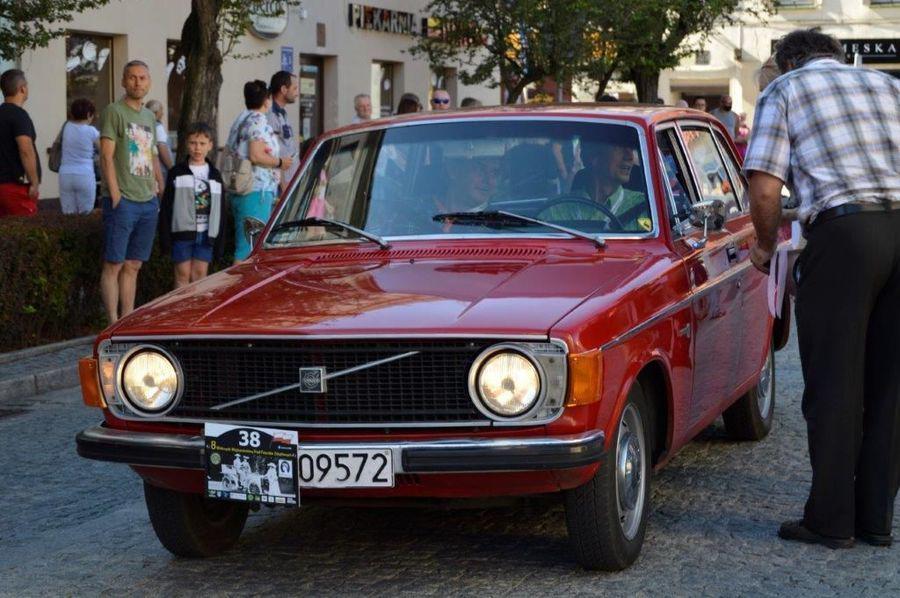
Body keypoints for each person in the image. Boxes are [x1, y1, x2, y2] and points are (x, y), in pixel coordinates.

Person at [745, 29, 900, 549]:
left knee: (835, 383)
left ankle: (831, 520)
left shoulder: (784, 91)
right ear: (835, 56)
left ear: (788, 61)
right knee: (890, 385)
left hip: (845, 236)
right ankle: (876, 520)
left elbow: (764, 186)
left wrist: (765, 246)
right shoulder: (885, 85)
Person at [98, 60, 163, 324]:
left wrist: (159, 186)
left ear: (149, 82)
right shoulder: (114, 111)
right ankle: (112, 322)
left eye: (143, 78)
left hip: (147, 200)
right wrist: (115, 195)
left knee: (134, 265)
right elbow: (106, 156)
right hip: (123, 200)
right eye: (132, 77)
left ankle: (127, 321)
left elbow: (153, 154)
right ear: (124, 81)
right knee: (113, 264)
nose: (138, 82)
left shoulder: (149, 116)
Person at [227, 79, 292, 263]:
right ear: (267, 100)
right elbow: (256, 155)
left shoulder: (240, 118)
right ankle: (241, 289)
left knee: (246, 245)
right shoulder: (258, 121)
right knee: (248, 249)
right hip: (255, 190)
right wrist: (280, 162)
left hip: (242, 189)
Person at [159, 122, 224, 288]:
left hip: (206, 234)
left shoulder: (215, 175)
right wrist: (165, 238)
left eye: (202, 144)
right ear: (186, 144)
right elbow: (166, 207)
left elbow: (221, 211)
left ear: (210, 145)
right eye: (193, 143)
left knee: (200, 276)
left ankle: (197, 312)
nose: (197, 148)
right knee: (182, 276)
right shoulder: (176, 172)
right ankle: (180, 312)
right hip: (182, 233)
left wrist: (219, 242)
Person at [543, 139, 650, 231]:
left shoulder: (644, 208)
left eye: (631, 148)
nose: (630, 156)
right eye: (618, 147)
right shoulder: (555, 210)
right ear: (593, 156)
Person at [0, 69, 40, 216]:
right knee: (27, 234)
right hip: (16, 187)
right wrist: (34, 182)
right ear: (22, 88)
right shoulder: (19, 115)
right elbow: (25, 149)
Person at [58, 98, 100, 214]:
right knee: (85, 214)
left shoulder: (66, 127)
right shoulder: (91, 131)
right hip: (84, 174)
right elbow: (104, 149)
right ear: (88, 114)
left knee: (68, 214)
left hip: (65, 174)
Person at [266, 71, 300, 193]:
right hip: (280, 186)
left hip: (290, 181)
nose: (297, 93)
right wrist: (283, 185)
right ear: (284, 89)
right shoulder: (271, 115)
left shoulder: (281, 113)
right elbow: (272, 152)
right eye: (295, 88)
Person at [144, 99, 173, 180]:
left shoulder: (145, 125)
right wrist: (171, 168)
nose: (163, 113)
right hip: (162, 169)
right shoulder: (158, 127)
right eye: (161, 110)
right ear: (156, 112)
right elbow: (162, 148)